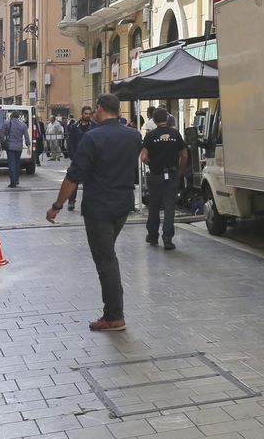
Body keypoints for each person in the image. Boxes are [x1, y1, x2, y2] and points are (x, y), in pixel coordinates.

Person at [47, 94, 143, 332]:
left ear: (100, 109)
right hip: (122, 205)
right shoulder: (134, 136)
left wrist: (57, 206)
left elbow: (73, 176)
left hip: (99, 207)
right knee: (108, 255)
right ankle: (114, 310)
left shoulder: (92, 137)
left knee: (105, 260)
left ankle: (114, 316)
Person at [141, 110, 185, 250]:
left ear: (153, 119)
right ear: (167, 118)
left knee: (154, 207)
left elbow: (143, 157)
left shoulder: (150, 136)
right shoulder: (175, 134)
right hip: (172, 175)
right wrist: (180, 170)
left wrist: (152, 164)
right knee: (169, 207)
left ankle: (153, 236)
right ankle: (168, 239)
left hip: (156, 175)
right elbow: (184, 155)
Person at [64, 106, 94, 210]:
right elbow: (70, 143)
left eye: (90, 114)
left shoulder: (95, 127)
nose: (88, 116)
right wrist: (73, 156)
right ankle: (71, 201)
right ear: (82, 114)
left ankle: (88, 202)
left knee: (89, 182)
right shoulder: (74, 127)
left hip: (90, 159)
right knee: (74, 180)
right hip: (77, 158)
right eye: (86, 114)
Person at [1, 108, 29, 188]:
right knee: (17, 164)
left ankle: (13, 182)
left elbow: (2, 135)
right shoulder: (23, 125)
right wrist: (28, 145)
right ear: (18, 117)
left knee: (12, 164)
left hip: (10, 147)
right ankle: (16, 180)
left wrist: (1, 143)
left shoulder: (6, 123)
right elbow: (26, 136)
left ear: (12, 116)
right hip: (19, 147)